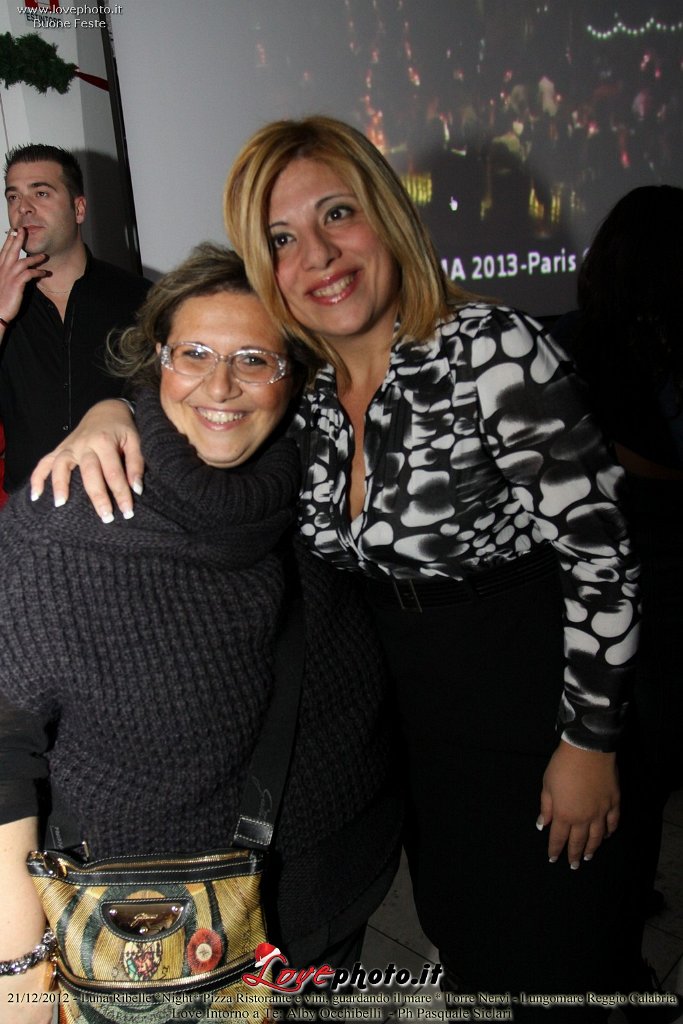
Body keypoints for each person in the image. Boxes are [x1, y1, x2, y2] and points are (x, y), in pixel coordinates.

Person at [30, 118, 646, 1019]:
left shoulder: (490, 349)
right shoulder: (308, 391)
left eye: (336, 214)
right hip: (412, 735)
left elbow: (603, 557)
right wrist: (110, 413)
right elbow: (206, 389)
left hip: (531, 715)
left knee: (559, 960)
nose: (315, 254)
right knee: (470, 945)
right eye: (281, 238)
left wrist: (589, 743)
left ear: (386, 215)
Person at [0, 244, 402, 1023]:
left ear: (294, 376)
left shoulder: (320, 484)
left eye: (253, 358)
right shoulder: (69, 518)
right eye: (194, 354)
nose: (220, 386)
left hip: (337, 897)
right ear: (157, 360)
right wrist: (18, 977)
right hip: (166, 941)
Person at [554, 185, 683, 968]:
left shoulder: (566, 343)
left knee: (625, 780)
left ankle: (616, 925)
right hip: (652, 604)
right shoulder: (615, 355)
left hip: (603, 608)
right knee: (640, 774)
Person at [0, 144, 150, 492]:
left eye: (40, 193)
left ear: (78, 208)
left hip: (124, 496)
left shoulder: (140, 298)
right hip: (29, 505)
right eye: (13, 197)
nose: (23, 208)